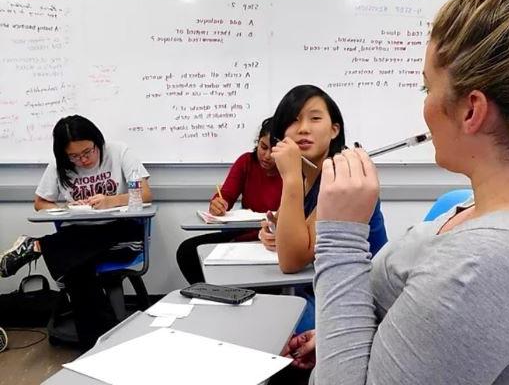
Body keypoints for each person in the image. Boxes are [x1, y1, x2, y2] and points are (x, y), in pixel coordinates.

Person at [284, 0, 509, 384]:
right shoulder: (487, 210)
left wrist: (341, 236)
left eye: (427, 88)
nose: (425, 106)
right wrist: (342, 340)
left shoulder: (494, 261)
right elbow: (434, 335)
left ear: (472, 110)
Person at [0, 115, 152, 350]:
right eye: (74, 156)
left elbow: (145, 194)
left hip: (122, 235)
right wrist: (67, 208)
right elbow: (40, 203)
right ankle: (101, 346)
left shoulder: (119, 151)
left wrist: (112, 200)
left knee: (75, 259)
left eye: (87, 152)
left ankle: (39, 246)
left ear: (97, 142)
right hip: (77, 238)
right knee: (76, 268)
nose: (82, 160)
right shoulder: (59, 165)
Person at [258, 85, 387, 337]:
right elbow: (295, 241)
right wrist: (275, 230)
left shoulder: (343, 177)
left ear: (334, 129)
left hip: (360, 299)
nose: (303, 128)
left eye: (315, 118)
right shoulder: (307, 176)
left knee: (262, 320)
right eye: (293, 121)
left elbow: (291, 261)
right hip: (321, 287)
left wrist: (291, 178)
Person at [176, 117, 282, 285]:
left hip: (274, 240)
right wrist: (218, 203)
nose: (267, 156)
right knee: (187, 251)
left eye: (274, 151)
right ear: (258, 142)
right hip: (242, 235)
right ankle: (211, 295)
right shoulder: (246, 162)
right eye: (263, 147)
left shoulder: (292, 171)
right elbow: (226, 194)